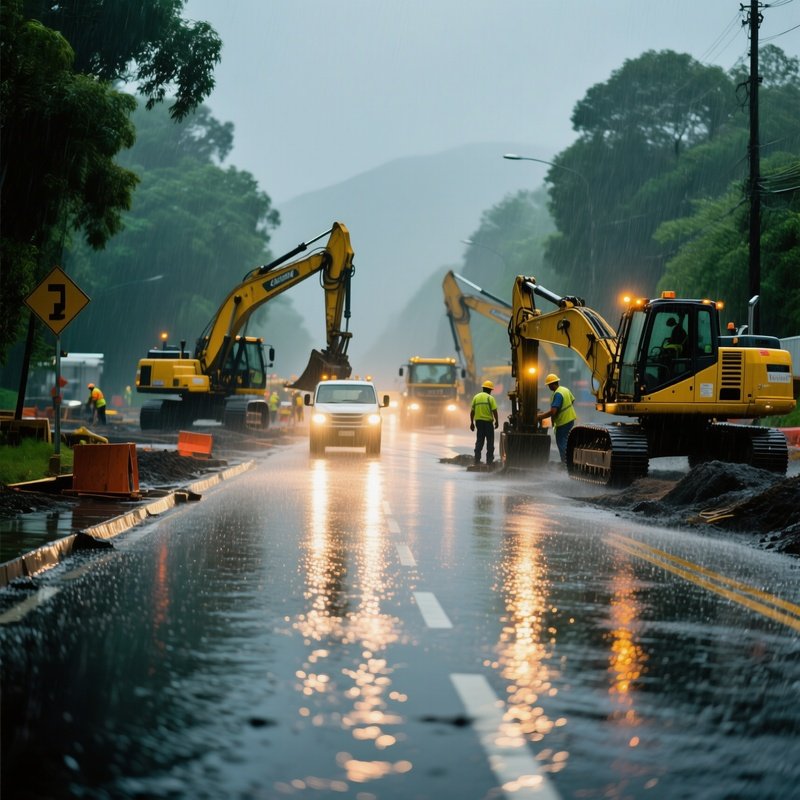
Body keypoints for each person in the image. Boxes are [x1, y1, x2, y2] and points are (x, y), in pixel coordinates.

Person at [537, 373, 576, 465]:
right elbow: (572, 400)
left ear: (551, 384)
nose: (548, 387)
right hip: (570, 420)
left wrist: (540, 417)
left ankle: (565, 463)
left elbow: (553, 411)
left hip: (563, 422)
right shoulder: (565, 390)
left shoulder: (558, 394)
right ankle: (569, 462)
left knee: (561, 443)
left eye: (548, 385)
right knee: (567, 442)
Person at [470, 380, 499, 465]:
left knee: (479, 441)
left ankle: (477, 460)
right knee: (490, 442)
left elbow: (472, 412)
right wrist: (497, 421)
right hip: (488, 423)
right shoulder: (490, 398)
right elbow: (494, 411)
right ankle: (489, 462)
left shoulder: (476, 397)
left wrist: (471, 423)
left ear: (483, 388)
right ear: (490, 390)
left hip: (478, 423)